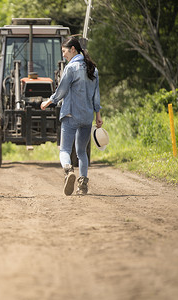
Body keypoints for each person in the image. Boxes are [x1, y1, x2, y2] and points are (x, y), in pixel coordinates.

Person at [41, 37, 103, 196]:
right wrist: (98, 116)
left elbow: (61, 90)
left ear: (73, 49)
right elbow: (96, 97)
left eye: (64, 51)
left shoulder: (71, 68)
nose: (63, 55)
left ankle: (68, 171)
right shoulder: (93, 69)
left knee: (65, 150)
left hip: (70, 115)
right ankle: (82, 185)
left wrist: (49, 101)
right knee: (82, 152)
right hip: (87, 117)